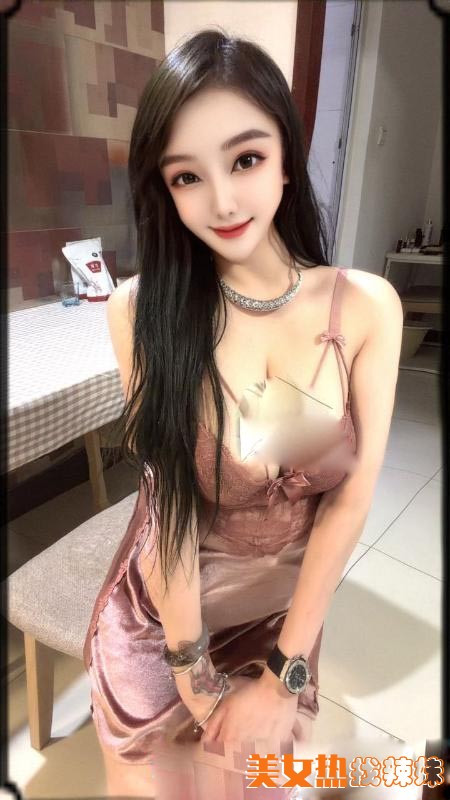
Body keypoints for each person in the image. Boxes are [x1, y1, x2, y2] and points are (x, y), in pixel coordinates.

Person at [83, 27, 403, 798]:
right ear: (164, 190)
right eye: (187, 176)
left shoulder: (365, 308)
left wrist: (284, 671)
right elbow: (169, 505)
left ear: (287, 157)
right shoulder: (143, 311)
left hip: (280, 623)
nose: (222, 201)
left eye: (247, 160)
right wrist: (193, 677)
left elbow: (348, 500)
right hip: (165, 622)